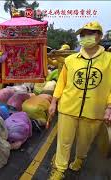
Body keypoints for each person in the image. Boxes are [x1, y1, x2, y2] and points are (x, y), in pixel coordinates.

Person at [48, 21, 111, 180]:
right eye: (82, 34)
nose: (85, 37)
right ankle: (60, 169)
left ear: (100, 36)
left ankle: (79, 160)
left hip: (94, 110)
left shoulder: (109, 60)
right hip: (68, 107)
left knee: (84, 142)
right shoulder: (70, 60)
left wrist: (109, 106)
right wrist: (54, 102)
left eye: (90, 33)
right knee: (64, 141)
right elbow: (61, 83)